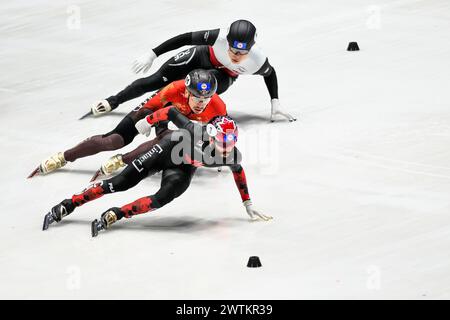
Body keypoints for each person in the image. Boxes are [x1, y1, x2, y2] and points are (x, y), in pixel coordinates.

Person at [42, 106, 272, 237]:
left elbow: (238, 172)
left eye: (231, 141)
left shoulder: (232, 155)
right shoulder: (194, 129)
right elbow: (171, 112)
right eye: (222, 140)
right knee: (120, 183)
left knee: (163, 198)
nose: (226, 146)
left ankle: (117, 214)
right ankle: (70, 203)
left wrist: (247, 203)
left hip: (183, 166)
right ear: (210, 135)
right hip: (165, 149)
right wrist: (148, 121)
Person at [30, 70, 227, 177]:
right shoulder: (173, 90)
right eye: (197, 98)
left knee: (169, 139)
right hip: (155, 112)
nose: (202, 103)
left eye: (206, 98)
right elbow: (149, 108)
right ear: (186, 92)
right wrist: (148, 122)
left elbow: (224, 134)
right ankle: (64, 157)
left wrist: (216, 151)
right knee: (113, 140)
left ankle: (122, 160)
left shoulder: (218, 107)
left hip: (178, 122)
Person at [91, 19, 296, 122]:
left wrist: (275, 101)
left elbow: (270, 74)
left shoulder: (258, 60)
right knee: (155, 80)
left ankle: (165, 110)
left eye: (240, 53)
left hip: (224, 75)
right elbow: (184, 38)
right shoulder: (218, 36)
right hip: (202, 55)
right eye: (231, 49)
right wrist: (153, 54)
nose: (234, 55)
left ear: (250, 49)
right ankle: (113, 101)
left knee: (200, 87)